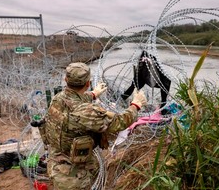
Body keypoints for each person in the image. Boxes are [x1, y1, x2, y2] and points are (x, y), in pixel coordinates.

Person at [43, 62, 147, 190]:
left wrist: (93, 94)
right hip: (75, 176)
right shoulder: (88, 112)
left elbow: (74, 101)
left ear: (66, 80)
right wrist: (136, 105)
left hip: (56, 164)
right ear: (87, 83)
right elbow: (119, 122)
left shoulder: (58, 99)